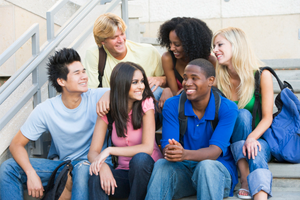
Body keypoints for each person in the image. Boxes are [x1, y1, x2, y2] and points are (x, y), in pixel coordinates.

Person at [0, 48, 110, 200]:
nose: (84, 76)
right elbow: (16, 144)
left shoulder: (98, 96)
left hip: (93, 165)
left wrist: (110, 94)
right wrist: (31, 173)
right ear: (61, 81)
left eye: (83, 71)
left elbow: (128, 88)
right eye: (77, 73)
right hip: (64, 167)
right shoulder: (46, 110)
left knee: (82, 169)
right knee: (8, 168)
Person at [145, 59, 238, 200]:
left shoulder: (227, 108)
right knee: (162, 164)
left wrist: (184, 154)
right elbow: (168, 147)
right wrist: (172, 151)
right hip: (184, 172)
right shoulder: (172, 105)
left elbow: (214, 152)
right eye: (185, 78)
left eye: (194, 78)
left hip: (216, 174)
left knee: (206, 166)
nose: (187, 83)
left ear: (210, 81)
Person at [212, 27, 273, 200]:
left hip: (258, 138)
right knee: (241, 115)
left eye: (220, 44)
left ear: (236, 45)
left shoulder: (262, 75)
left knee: (256, 149)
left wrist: (252, 137)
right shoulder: (218, 80)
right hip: (229, 145)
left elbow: (268, 117)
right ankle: (245, 179)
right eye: (214, 45)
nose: (215, 50)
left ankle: (258, 194)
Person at [88, 62, 163, 200]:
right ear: (122, 84)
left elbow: (147, 148)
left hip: (148, 173)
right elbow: (93, 152)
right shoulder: (108, 111)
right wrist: (103, 166)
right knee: (96, 174)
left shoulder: (146, 104)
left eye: (142, 81)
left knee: (140, 159)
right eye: (135, 82)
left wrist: (109, 150)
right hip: (124, 174)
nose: (141, 86)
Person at [83, 13, 165, 101]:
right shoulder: (94, 54)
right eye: (114, 37)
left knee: (156, 91)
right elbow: (91, 91)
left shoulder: (149, 51)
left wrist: (161, 79)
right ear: (102, 40)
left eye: (122, 34)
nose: (121, 40)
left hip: (143, 103)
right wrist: (107, 94)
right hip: (114, 103)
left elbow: (170, 80)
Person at [157, 17, 216, 108]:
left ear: (191, 44)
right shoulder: (168, 58)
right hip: (180, 106)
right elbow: (174, 94)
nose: (172, 48)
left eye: (177, 45)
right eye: (170, 43)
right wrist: (167, 90)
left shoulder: (210, 61)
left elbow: (213, 91)